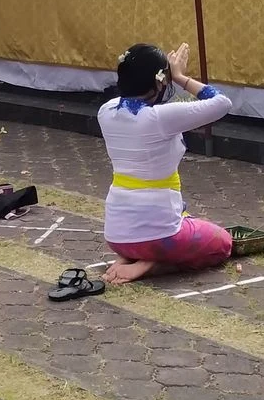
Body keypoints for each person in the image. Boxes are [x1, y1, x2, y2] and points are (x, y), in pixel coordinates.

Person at [99, 42, 234, 285]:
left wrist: (161, 75)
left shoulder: (106, 110)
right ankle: (151, 264)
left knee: (185, 214)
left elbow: (132, 99)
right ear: (161, 81)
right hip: (158, 236)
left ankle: (130, 257)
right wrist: (181, 77)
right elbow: (222, 103)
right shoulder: (159, 117)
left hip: (116, 235)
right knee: (222, 242)